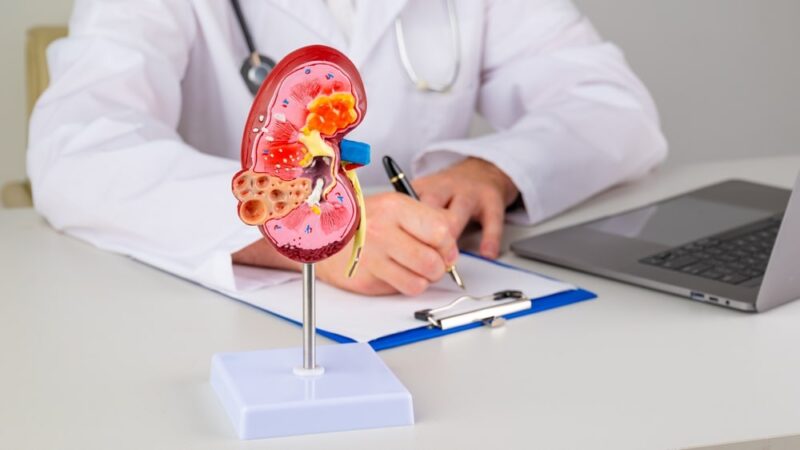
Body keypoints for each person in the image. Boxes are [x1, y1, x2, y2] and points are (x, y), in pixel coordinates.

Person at [27, 0, 667, 296]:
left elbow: (616, 108)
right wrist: (305, 225)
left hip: (429, 314)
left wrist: (493, 169)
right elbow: (77, 148)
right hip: (214, 326)